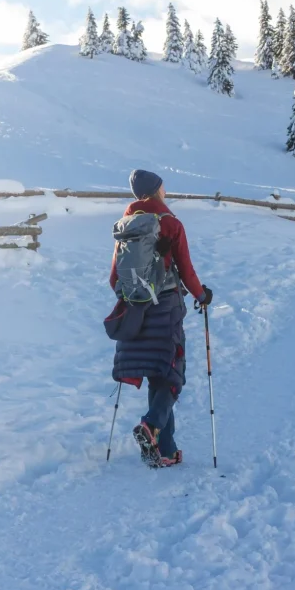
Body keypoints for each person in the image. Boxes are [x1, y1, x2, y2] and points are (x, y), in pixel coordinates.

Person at [109, 169, 212, 468]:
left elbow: (113, 278)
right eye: (162, 185)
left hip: (135, 310)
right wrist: (201, 296)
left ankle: (165, 450)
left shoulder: (125, 227)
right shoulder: (170, 223)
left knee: (157, 373)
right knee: (172, 375)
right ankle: (151, 425)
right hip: (166, 307)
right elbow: (187, 269)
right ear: (155, 190)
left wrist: (135, 295)